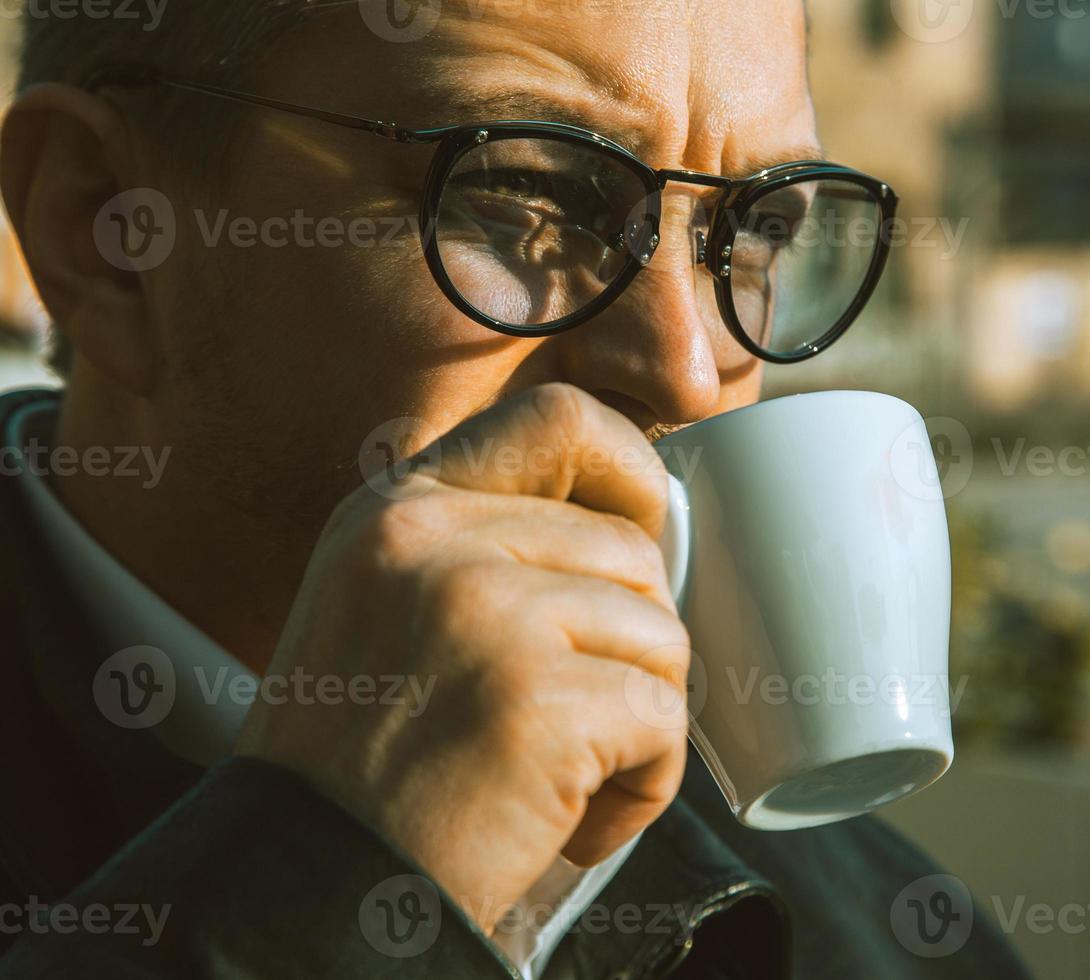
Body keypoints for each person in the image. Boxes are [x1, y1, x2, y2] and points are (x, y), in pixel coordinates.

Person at [0, 3, 1030, 978]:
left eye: (753, 230)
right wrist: (317, 884)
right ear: (109, 231)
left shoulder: (893, 938)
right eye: (530, 195)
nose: (683, 367)